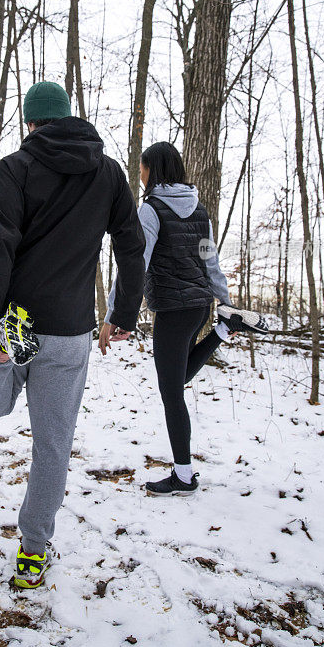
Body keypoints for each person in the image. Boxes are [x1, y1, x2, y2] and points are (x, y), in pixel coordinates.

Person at [0, 81, 145, 588]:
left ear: (29, 122)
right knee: (52, 446)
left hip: (16, 322)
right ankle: (33, 549)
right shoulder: (108, 173)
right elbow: (132, 247)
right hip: (69, 332)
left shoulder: (14, 169)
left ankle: (32, 546)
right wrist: (123, 314)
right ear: (68, 116)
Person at [99, 142, 267, 497]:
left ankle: (184, 476)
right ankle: (224, 326)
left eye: (142, 169)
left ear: (153, 171)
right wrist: (224, 300)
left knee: (171, 392)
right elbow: (211, 261)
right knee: (178, 377)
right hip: (198, 307)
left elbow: (135, 265)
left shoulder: (152, 210)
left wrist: (115, 313)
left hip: (175, 310)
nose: (140, 175)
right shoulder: (200, 211)